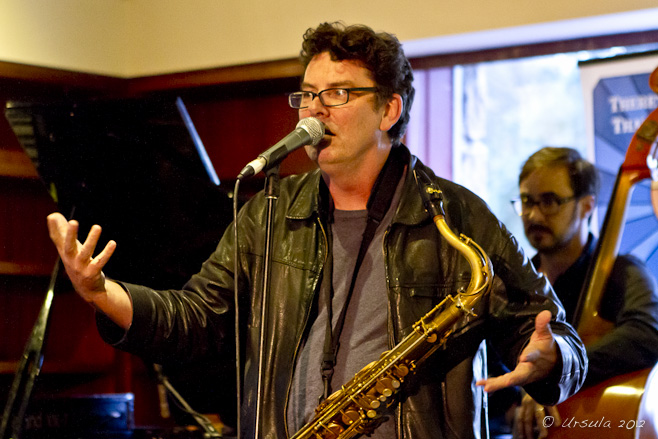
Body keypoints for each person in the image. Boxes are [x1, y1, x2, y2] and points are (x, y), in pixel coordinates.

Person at [46, 23, 587, 439]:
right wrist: (102, 294)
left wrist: (551, 360)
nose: (313, 111)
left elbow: (559, 340)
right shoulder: (270, 211)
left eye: (337, 95)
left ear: (389, 110)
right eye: (307, 94)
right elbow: (196, 318)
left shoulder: (459, 217)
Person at [510, 146, 658, 438]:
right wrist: (517, 404)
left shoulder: (621, 271)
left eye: (550, 201)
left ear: (587, 206)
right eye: (527, 201)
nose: (534, 214)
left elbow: (648, 332)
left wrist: (558, 372)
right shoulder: (515, 283)